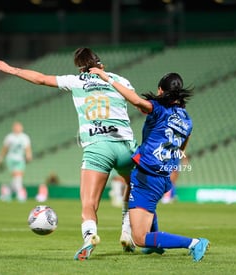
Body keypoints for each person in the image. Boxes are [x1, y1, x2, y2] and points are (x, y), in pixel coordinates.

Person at [0, 47, 138, 261]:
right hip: (125, 144)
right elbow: (137, 102)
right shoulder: (119, 80)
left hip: (97, 147)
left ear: (80, 68)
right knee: (133, 185)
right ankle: (127, 229)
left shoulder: (76, 81)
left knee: (88, 203)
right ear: (101, 66)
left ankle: (89, 238)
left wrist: (12, 69)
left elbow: (40, 79)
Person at [90, 68, 210, 262]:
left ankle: (194, 243)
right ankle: (156, 247)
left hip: (147, 176)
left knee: (139, 238)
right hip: (162, 178)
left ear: (161, 91)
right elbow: (181, 148)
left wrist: (107, 79)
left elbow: (137, 101)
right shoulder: (187, 120)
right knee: (145, 211)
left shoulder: (159, 109)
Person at [0, 121, 33, 202]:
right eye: (15, 127)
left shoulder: (25, 137)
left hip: (20, 159)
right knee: (17, 175)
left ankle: (7, 191)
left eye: (18, 127)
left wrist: (28, 155)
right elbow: (5, 148)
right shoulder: (9, 137)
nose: (17, 128)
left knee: (17, 177)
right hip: (11, 159)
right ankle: (20, 193)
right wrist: (0, 158)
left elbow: (27, 148)